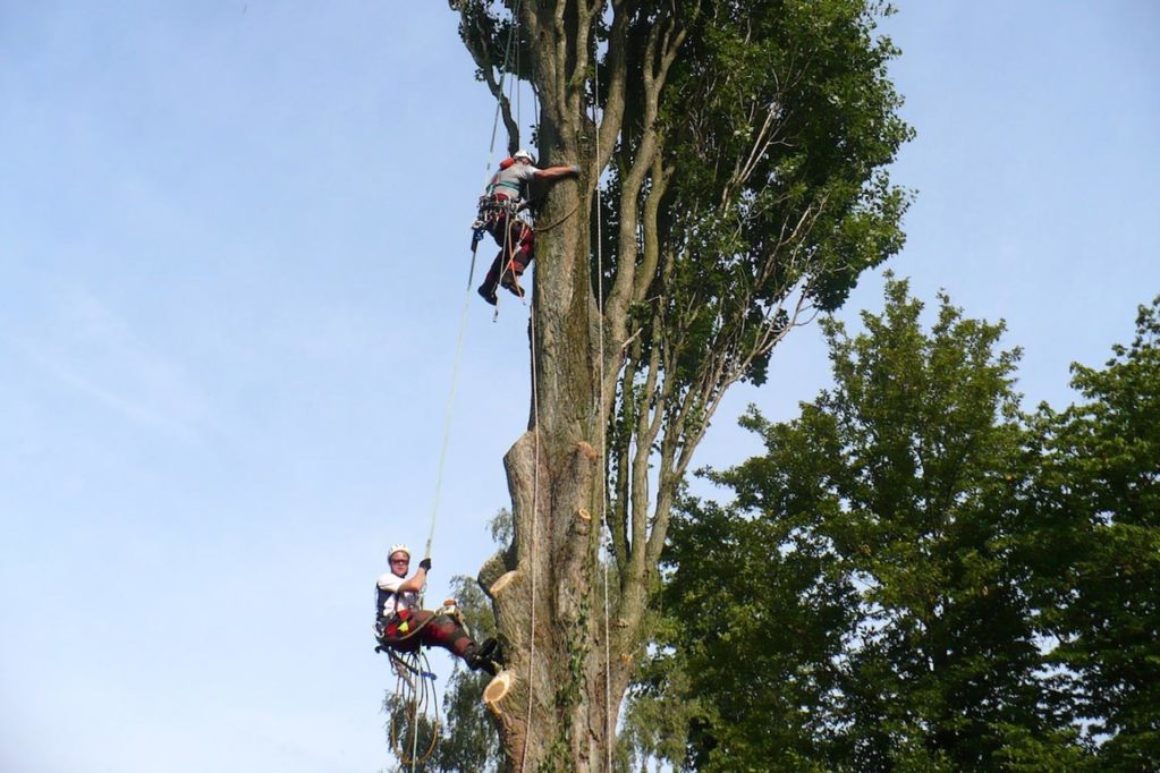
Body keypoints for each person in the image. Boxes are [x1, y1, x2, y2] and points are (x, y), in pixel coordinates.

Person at [374, 544, 500, 675]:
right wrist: (423, 568)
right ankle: (476, 655)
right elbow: (415, 585)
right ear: (390, 563)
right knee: (433, 618)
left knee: (449, 626)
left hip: (410, 630)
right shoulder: (386, 579)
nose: (400, 564)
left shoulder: (410, 593)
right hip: (396, 629)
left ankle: (475, 656)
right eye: (396, 561)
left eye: (404, 561)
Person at [476, 149, 580, 305]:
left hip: (492, 221)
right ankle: (512, 272)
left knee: (507, 249)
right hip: (504, 218)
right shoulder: (521, 168)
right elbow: (544, 174)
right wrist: (571, 170)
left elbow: (504, 196)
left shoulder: (499, 174)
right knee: (532, 239)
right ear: (525, 160)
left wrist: (525, 205)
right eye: (530, 163)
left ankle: (487, 286)